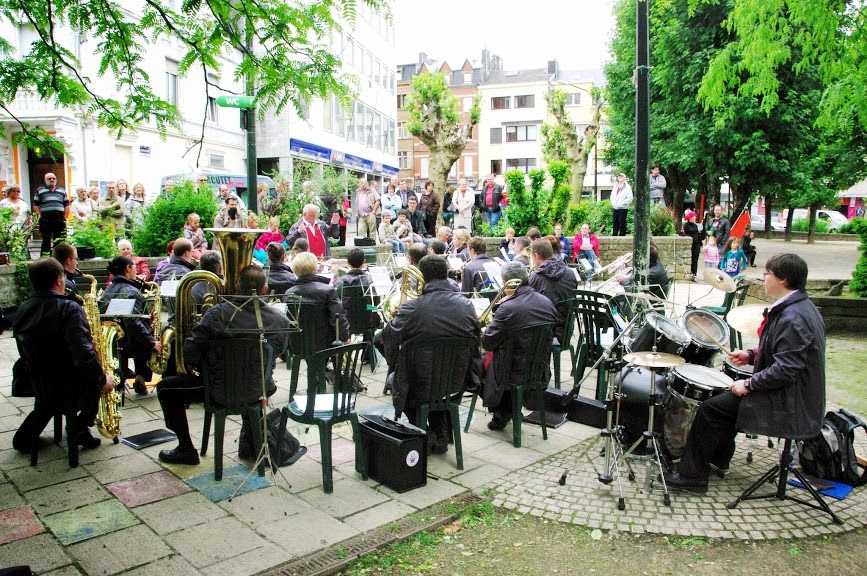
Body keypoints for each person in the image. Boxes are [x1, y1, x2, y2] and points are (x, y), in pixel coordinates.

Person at [665, 253, 825, 493]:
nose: (763, 278)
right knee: (722, 404)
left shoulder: (794, 317)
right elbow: (784, 351)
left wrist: (748, 385)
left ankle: (692, 478)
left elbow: (786, 369)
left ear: (783, 280)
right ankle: (717, 459)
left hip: (791, 402)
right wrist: (751, 355)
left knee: (711, 408)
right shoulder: (799, 306)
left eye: (767, 274)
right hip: (790, 393)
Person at [156, 266, 291, 464]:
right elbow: (277, 352)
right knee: (249, 377)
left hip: (216, 390)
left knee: (166, 387)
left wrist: (207, 366)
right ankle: (250, 440)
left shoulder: (216, 314)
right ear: (265, 289)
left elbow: (191, 352)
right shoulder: (279, 319)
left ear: (236, 286)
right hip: (259, 388)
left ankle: (186, 448)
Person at [381, 255, 480, 454]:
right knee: (437, 382)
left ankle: (426, 432)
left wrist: (394, 364)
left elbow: (389, 338)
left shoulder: (413, 307)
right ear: (446, 274)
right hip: (456, 382)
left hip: (420, 385)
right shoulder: (467, 305)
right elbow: (476, 341)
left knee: (398, 380)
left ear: (422, 277)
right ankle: (440, 431)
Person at [12, 258, 109, 453]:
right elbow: (84, 354)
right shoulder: (69, 308)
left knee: (48, 399)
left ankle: (26, 437)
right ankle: (81, 425)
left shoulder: (23, 308)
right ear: (58, 279)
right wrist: (102, 378)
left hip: (37, 380)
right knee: (103, 377)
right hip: (71, 384)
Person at [482, 262, 559, 430]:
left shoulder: (507, 308)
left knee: (475, 365)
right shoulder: (546, 302)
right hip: (538, 368)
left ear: (506, 283)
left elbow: (488, 343)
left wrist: (486, 328)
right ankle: (508, 409)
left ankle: (501, 411)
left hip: (510, 372)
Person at [101, 256, 162, 395]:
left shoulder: (109, 289)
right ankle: (141, 375)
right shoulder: (131, 291)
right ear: (128, 268)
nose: (136, 270)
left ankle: (130, 375)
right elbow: (133, 321)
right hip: (131, 342)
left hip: (115, 341)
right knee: (148, 339)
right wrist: (151, 341)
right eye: (134, 267)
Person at [285, 252, 350, 351]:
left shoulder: (288, 294)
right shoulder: (328, 291)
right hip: (325, 344)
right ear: (315, 268)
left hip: (297, 344)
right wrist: (345, 337)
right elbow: (338, 317)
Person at [529, 238, 578, 340]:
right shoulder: (570, 272)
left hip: (545, 333)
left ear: (537, 256)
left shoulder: (536, 277)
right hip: (566, 329)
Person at [32, 173, 70, 255]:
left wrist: (65, 218)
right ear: (45, 180)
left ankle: (59, 258)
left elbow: (67, 204)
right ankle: (44, 259)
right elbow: (35, 204)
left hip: (59, 218)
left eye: (53, 178)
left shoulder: (62, 190)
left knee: (59, 240)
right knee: (46, 240)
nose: (52, 180)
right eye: (49, 178)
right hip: (46, 219)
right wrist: (39, 216)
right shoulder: (40, 190)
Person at [682, 209, 702, 280]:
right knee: (690, 259)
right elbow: (683, 233)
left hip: (696, 244)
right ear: (690, 218)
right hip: (691, 244)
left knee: (695, 259)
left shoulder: (695, 225)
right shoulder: (686, 226)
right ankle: (689, 273)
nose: (695, 218)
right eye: (694, 217)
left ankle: (694, 274)